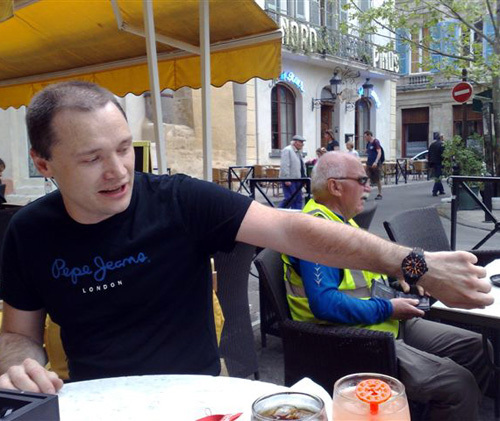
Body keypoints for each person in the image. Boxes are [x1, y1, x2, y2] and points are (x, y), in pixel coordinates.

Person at [0, 81, 492, 396]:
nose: (117, 171)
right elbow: (19, 334)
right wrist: (21, 365)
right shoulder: (28, 232)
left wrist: (412, 262)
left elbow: (292, 228)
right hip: (94, 399)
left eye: (126, 149)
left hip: (200, 391)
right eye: (91, 158)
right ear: (43, 164)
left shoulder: (178, 199)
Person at [283, 152, 492, 420]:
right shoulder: (316, 229)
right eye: (361, 180)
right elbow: (324, 304)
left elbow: (361, 275)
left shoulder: (340, 222)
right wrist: (388, 308)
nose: (369, 188)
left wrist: (400, 279)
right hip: (355, 340)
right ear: (335, 186)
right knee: (458, 384)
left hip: (387, 322)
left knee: (478, 347)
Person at [279, 135, 306, 210]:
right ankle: (278, 212)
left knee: (298, 198)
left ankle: (297, 215)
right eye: (301, 142)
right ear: (295, 142)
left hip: (297, 179)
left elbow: (301, 165)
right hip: (290, 179)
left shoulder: (298, 152)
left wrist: (304, 177)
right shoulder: (287, 150)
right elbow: (285, 165)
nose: (302, 144)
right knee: (290, 198)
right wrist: (286, 178)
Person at [364, 130, 383, 200]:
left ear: (369, 135)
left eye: (365, 136)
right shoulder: (368, 143)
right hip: (369, 163)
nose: (365, 138)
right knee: (366, 178)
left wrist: (376, 161)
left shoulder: (376, 142)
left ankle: (380, 194)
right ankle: (365, 194)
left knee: (377, 179)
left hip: (375, 164)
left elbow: (379, 152)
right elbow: (367, 151)